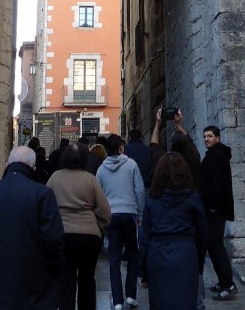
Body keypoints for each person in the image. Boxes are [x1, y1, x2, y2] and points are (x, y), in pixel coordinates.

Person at [0, 146, 64, 310]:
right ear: (33, 169)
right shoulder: (42, 194)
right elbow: (54, 241)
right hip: (32, 289)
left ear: (7, 164)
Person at [47, 141, 111, 310]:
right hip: (89, 236)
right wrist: (99, 227)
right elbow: (104, 210)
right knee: (87, 281)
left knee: (66, 282)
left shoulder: (55, 177)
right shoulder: (90, 179)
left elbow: (46, 206)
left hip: (63, 235)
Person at [139, 153, 207, 310]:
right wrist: (199, 262)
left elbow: (145, 236)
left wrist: (143, 269)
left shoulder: (152, 199)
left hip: (158, 254)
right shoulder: (192, 197)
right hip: (186, 254)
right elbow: (203, 232)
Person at [96, 133, 145, 310]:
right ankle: (131, 295)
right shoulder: (131, 165)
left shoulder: (101, 169)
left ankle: (117, 300)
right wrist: (140, 215)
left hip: (112, 215)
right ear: (121, 148)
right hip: (129, 213)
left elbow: (98, 195)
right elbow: (139, 191)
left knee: (114, 258)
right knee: (133, 254)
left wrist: (102, 216)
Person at [199, 125, 236, 301]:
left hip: (216, 210)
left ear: (218, 138)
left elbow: (218, 183)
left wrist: (213, 206)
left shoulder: (218, 156)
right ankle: (223, 282)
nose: (206, 139)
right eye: (205, 136)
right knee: (213, 245)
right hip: (213, 209)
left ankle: (229, 284)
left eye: (210, 136)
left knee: (215, 245)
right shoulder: (214, 155)